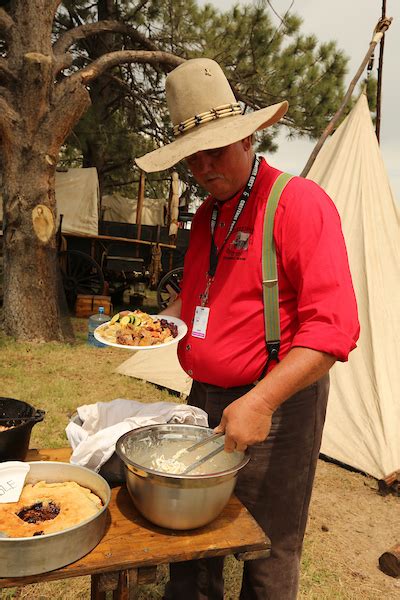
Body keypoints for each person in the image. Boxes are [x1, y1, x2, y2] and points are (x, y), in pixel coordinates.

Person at [135, 58, 359, 600]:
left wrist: (259, 401)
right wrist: (162, 325)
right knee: (190, 534)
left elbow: (334, 329)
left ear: (249, 136)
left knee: (267, 544)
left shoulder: (298, 203)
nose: (205, 165)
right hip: (204, 397)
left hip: (278, 403)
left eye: (217, 148)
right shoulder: (209, 215)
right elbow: (202, 301)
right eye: (194, 156)